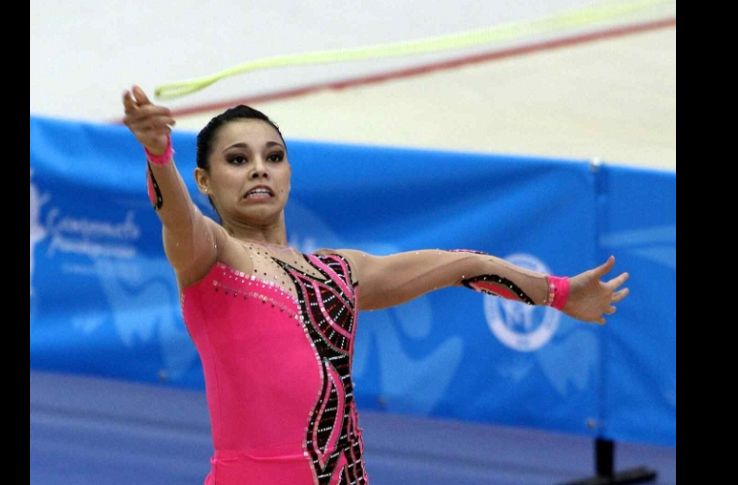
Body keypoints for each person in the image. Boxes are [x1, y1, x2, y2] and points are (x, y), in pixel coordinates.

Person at [122, 85, 629, 485]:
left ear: (290, 172)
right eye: (237, 159)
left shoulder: (340, 272)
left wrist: (557, 292)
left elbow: (459, 265)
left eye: (273, 156)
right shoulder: (213, 258)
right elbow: (177, 219)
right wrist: (159, 157)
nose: (259, 168)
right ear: (204, 180)